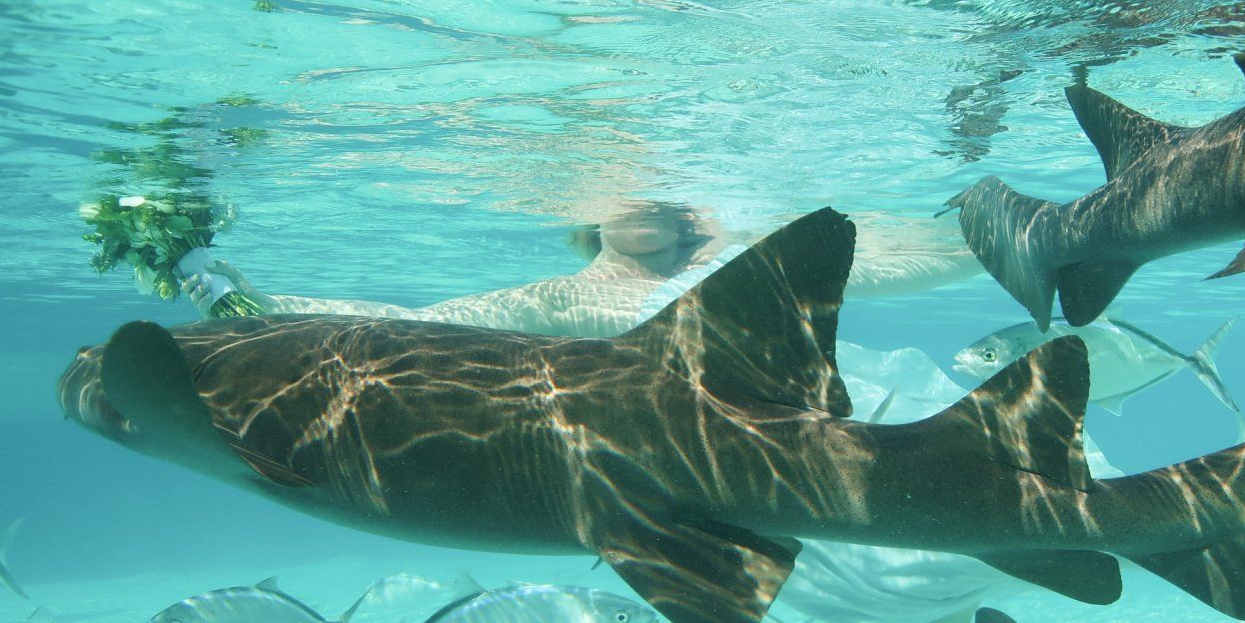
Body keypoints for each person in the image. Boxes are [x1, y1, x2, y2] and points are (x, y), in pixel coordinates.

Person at [178, 198, 976, 337]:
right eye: (628, 200)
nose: (650, 210)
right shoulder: (560, 297)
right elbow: (418, 325)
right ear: (588, 215)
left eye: (666, 202)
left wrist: (1005, 246)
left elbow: (885, 271)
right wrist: (257, 299)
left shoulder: (733, 264)